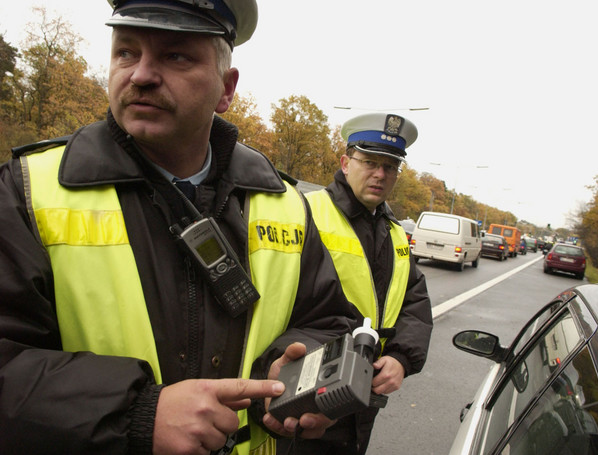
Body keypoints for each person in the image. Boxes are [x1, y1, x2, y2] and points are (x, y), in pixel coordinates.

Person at [0, 1, 358, 454]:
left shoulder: (283, 203)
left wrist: (290, 368)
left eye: (175, 56)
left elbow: (327, 320)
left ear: (226, 89)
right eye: (126, 52)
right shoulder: (27, 191)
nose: (141, 74)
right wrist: (137, 413)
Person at [280, 113, 434, 454]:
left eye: (390, 167)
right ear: (346, 163)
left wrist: (401, 358)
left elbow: (414, 301)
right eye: (370, 162)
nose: (380, 174)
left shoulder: (394, 232)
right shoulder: (306, 212)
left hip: (362, 395)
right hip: (307, 389)